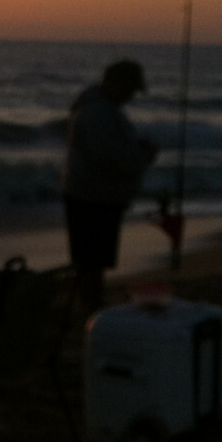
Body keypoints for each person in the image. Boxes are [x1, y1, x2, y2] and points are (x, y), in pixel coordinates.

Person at [61, 59, 159, 316]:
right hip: (93, 199)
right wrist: (143, 157)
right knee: (91, 262)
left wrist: (135, 150)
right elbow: (107, 158)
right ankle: (91, 309)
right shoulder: (98, 113)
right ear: (115, 83)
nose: (131, 96)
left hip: (94, 197)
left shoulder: (102, 109)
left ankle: (91, 307)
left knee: (92, 261)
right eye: (130, 89)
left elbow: (108, 152)